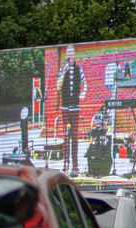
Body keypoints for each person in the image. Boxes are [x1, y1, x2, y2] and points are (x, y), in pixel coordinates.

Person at [57, 45, 86, 177]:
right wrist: (64, 72)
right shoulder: (63, 68)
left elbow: (85, 84)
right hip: (65, 107)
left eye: (72, 53)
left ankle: (75, 166)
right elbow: (58, 87)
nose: (70, 56)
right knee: (66, 135)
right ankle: (65, 164)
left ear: (74, 55)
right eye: (68, 54)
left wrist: (83, 93)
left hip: (75, 107)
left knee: (74, 136)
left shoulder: (79, 69)